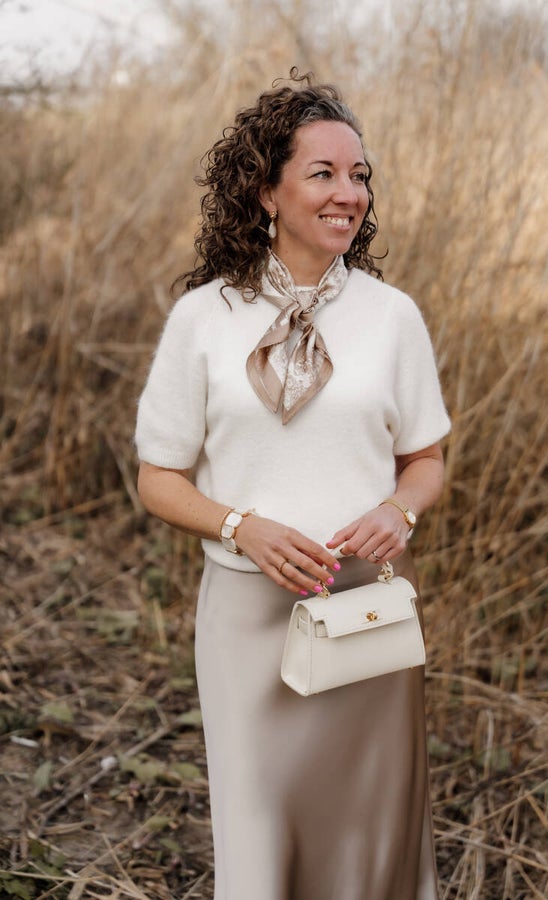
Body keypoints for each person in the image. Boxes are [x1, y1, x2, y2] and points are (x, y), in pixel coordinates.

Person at [135, 69, 451, 900]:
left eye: (359, 175)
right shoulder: (202, 320)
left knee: (366, 838)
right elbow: (158, 479)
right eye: (323, 173)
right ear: (266, 192)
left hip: (369, 613)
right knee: (259, 836)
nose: (349, 193)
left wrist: (399, 508)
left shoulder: (393, 317)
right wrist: (240, 525)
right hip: (249, 623)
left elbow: (427, 461)